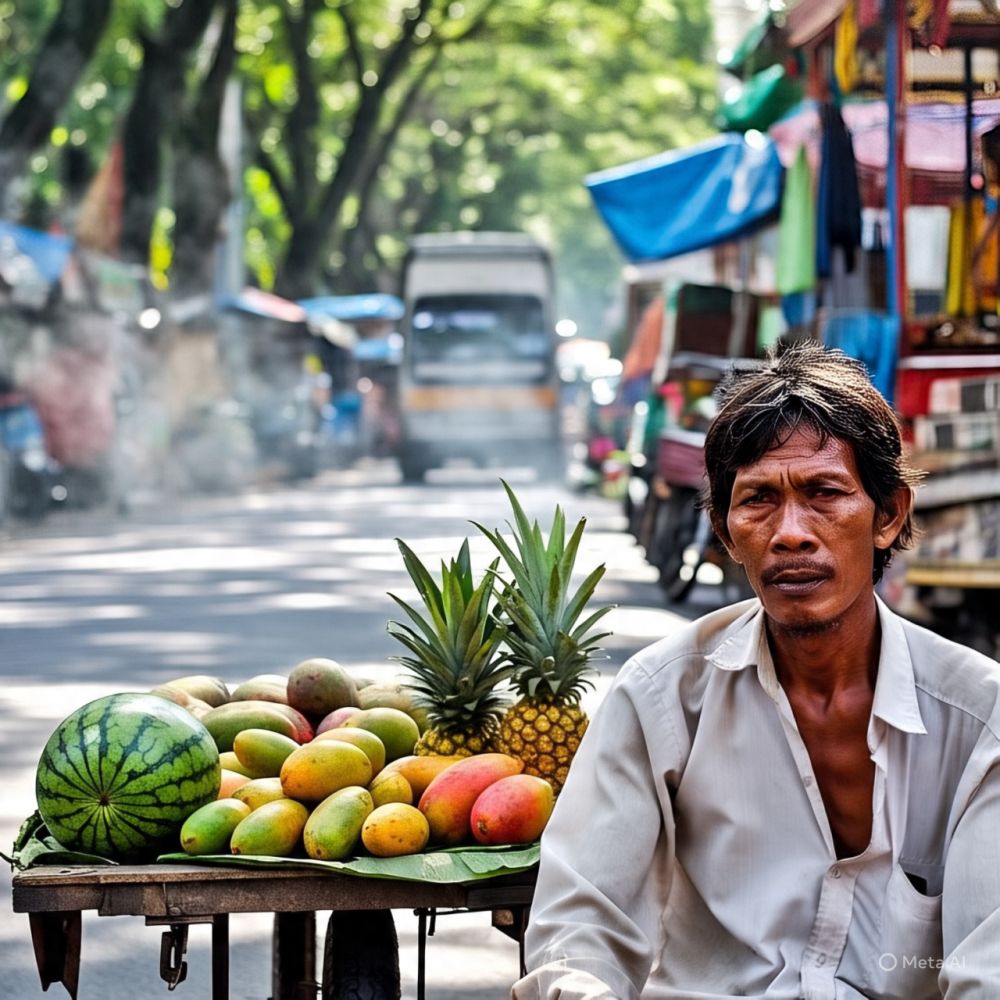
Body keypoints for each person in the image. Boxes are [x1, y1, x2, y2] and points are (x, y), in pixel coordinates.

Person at [512, 342, 1000, 1000]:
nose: (791, 531)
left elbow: (988, 968)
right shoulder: (663, 698)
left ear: (888, 516)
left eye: (824, 493)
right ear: (725, 531)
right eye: (759, 500)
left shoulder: (980, 720)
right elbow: (579, 926)